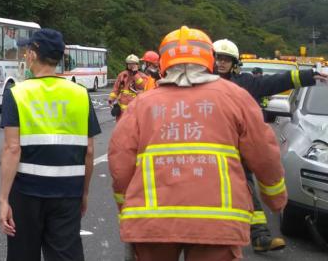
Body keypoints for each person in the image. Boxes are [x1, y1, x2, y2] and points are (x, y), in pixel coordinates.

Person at [109, 26, 287, 261]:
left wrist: (126, 207)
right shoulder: (235, 97)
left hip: (152, 221)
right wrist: (275, 198)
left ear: (164, 62)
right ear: (209, 59)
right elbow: (264, 153)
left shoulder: (143, 104)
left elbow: (120, 161)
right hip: (218, 223)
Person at [212, 38, 327, 252]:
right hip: (205, 148)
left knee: (247, 189)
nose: (220, 63)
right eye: (217, 58)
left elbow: (276, 82)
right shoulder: (200, 83)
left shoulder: (246, 83)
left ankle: (260, 236)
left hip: (234, 149)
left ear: (234, 63)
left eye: (226, 59)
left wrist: (309, 75)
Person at [0, 28, 101, 261]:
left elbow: (12, 149)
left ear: (33, 55)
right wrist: (83, 192)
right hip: (68, 192)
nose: (25, 55)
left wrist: (4, 199)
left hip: (25, 193)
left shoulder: (17, 93)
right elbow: (89, 151)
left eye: (27, 51)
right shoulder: (80, 94)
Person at [108, 54, 149, 120]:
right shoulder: (122, 75)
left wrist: (135, 75)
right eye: (129, 64)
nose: (131, 66)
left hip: (135, 110)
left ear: (137, 65)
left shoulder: (142, 76)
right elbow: (116, 89)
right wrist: (111, 99)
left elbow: (143, 86)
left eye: (133, 64)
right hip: (121, 111)